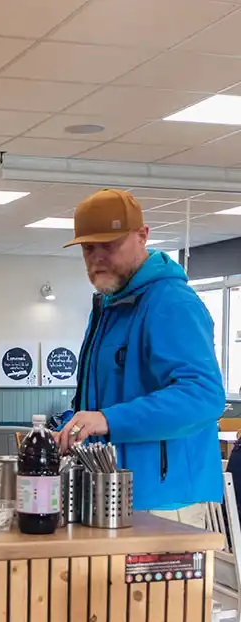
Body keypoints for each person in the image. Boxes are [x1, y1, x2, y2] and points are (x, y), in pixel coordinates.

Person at [56, 188, 225, 527]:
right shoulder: (109, 306)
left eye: (110, 245)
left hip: (166, 500)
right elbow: (102, 399)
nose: (98, 257)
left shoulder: (172, 303)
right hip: (111, 495)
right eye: (89, 248)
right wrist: (72, 426)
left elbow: (203, 397)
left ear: (143, 236)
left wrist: (107, 419)